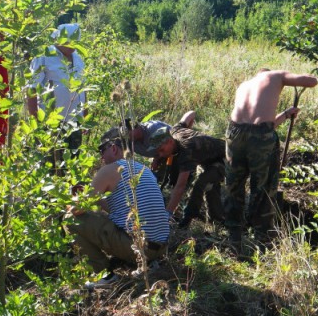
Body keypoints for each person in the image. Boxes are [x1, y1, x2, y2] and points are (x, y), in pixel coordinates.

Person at [66, 128, 171, 287]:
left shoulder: (109, 169)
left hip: (139, 247)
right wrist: (95, 198)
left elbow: (76, 210)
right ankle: (149, 263)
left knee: (70, 219)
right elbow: (120, 210)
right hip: (159, 248)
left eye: (102, 150)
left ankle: (103, 275)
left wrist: (70, 199)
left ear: (113, 148)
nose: (101, 157)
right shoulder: (141, 168)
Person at [225, 69, 318, 246]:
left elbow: (256, 125)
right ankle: (262, 238)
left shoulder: (245, 85)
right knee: (264, 186)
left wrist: (285, 114)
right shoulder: (275, 75)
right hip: (260, 137)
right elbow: (311, 82)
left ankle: (234, 234)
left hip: (234, 133)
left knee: (234, 183)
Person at [145, 111, 225, 228]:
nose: (161, 154)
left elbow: (180, 186)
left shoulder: (186, 150)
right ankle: (216, 221)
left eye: (162, 150)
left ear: (170, 141)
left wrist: (167, 214)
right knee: (210, 186)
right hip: (207, 159)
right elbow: (190, 114)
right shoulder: (174, 130)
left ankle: (187, 219)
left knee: (200, 184)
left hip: (227, 158)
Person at [26, 23, 87, 170]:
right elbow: (31, 90)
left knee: (72, 165)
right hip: (51, 123)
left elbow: (84, 88)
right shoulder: (44, 58)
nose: (73, 45)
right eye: (70, 41)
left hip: (74, 123)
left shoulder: (78, 59)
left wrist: (85, 114)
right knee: (50, 165)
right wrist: (36, 121)